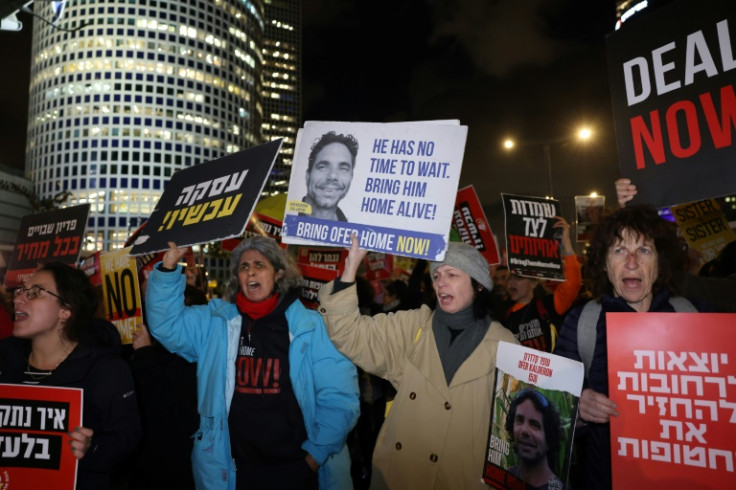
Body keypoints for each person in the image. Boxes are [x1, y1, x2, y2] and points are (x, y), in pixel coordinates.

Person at [145, 236, 359, 490]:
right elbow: (167, 325)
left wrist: (312, 459)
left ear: (278, 274)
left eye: (260, 264)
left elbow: (339, 399)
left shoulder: (311, 327)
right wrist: (168, 269)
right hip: (235, 472)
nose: (251, 271)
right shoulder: (216, 322)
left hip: (298, 470)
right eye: (244, 267)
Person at [317, 236, 518, 489]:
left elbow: (520, 428)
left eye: (452, 274)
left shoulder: (505, 345)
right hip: (401, 475)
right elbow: (349, 333)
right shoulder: (412, 326)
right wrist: (351, 265)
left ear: (478, 284)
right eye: (436, 276)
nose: (441, 282)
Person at [554, 205, 711, 489]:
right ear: (603, 262)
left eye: (644, 250)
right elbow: (552, 411)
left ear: (660, 262)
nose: (632, 262)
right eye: (619, 250)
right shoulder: (581, 324)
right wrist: (576, 408)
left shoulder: (697, 317)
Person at [0, 262, 142, 490]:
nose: (18, 300)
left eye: (35, 292)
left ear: (66, 310)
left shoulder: (105, 371)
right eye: (20, 292)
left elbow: (127, 439)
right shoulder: (5, 361)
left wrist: (91, 447)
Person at [504, 217, 581, 352]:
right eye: (509, 278)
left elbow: (572, 284)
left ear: (533, 283)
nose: (511, 282)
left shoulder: (547, 305)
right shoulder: (505, 314)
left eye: (518, 278)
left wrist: (566, 245)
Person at [504, 388, 563, 490]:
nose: (524, 430)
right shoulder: (507, 477)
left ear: (549, 439)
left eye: (535, 425)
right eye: (519, 420)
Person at [302, 131, 359, 222]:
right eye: (322, 167)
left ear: (351, 178)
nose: (332, 176)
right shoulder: (282, 216)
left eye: (343, 169)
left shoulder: (353, 234)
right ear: (308, 175)